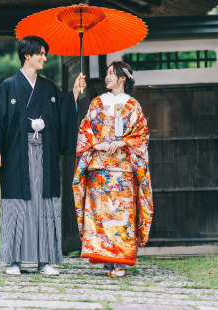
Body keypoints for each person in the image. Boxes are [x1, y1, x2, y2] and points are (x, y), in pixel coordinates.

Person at [0, 35, 85, 276]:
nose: (45, 58)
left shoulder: (47, 87)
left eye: (45, 54)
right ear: (27, 54)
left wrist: (75, 93)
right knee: (17, 204)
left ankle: (44, 261)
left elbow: (62, 111)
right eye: (41, 54)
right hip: (17, 155)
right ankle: (14, 260)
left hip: (44, 155)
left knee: (44, 204)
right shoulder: (8, 86)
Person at [72, 60, 152, 278]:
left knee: (122, 216)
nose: (106, 77)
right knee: (100, 215)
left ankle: (121, 261)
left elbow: (142, 134)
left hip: (123, 170)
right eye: (106, 73)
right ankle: (105, 259)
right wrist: (96, 144)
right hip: (99, 168)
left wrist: (124, 142)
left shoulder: (133, 105)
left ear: (122, 78)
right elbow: (85, 130)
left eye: (111, 74)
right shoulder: (97, 103)